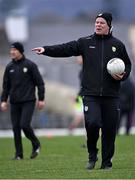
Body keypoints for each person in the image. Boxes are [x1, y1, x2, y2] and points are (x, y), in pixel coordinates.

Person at [32, 12, 131, 170]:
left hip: (111, 95)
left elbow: (127, 65)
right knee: (92, 123)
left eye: (102, 23)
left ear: (109, 26)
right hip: (90, 94)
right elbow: (65, 49)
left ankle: (107, 163)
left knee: (110, 130)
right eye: (96, 22)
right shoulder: (85, 42)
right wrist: (46, 49)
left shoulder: (118, 45)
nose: (98, 25)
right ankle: (92, 155)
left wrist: (123, 75)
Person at [1, 42, 45, 160]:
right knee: (16, 128)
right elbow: (6, 86)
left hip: (28, 101)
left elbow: (40, 83)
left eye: (14, 50)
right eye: (11, 50)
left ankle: (36, 143)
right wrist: (4, 100)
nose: (12, 52)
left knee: (24, 125)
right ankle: (19, 154)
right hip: (14, 102)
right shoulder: (9, 67)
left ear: (20, 51)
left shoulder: (30, 65)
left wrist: (41, 99)